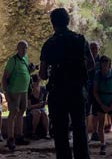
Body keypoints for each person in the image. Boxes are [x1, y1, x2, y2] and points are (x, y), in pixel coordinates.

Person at [40, 8, 95, 159]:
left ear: (53, 24)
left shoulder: (49, 44)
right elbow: (91, 64)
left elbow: (43, 74)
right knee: (79, 128)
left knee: (60, 132)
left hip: (58, 93)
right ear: (68, 21)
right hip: (77, 90)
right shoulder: (80, 39)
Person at [2, 40, 32, 151]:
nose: (24, 50)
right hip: (14, 91)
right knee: (13, 113)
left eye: (26, 48)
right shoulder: (12, 61)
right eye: (22, 48)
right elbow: (5, 78)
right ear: (18, 48)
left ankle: (19, 136)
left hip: (24, 91)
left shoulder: (25, 59)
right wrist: (6, 93)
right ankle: (10, 138)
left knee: (21, 113)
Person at [87, 41, 101, 142]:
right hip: (87, 89)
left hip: (98, 89)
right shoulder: (85, 60)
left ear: (98, 49)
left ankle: (95, 132)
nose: (93, 49)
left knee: (96, 112)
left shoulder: (101, 60)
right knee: (86, 111)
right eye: (91, 48)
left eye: (95, 47)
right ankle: (86, 133)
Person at [27, 74, 49, 139]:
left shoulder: (43, 89)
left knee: (44, 113)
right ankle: (33, 132)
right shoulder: (29, 90)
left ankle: (47, 132)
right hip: (32, 110)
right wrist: (38, 105)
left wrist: (44, 103)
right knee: (37, 113)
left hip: (41, 108)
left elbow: (44, 102)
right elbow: (28, 107)